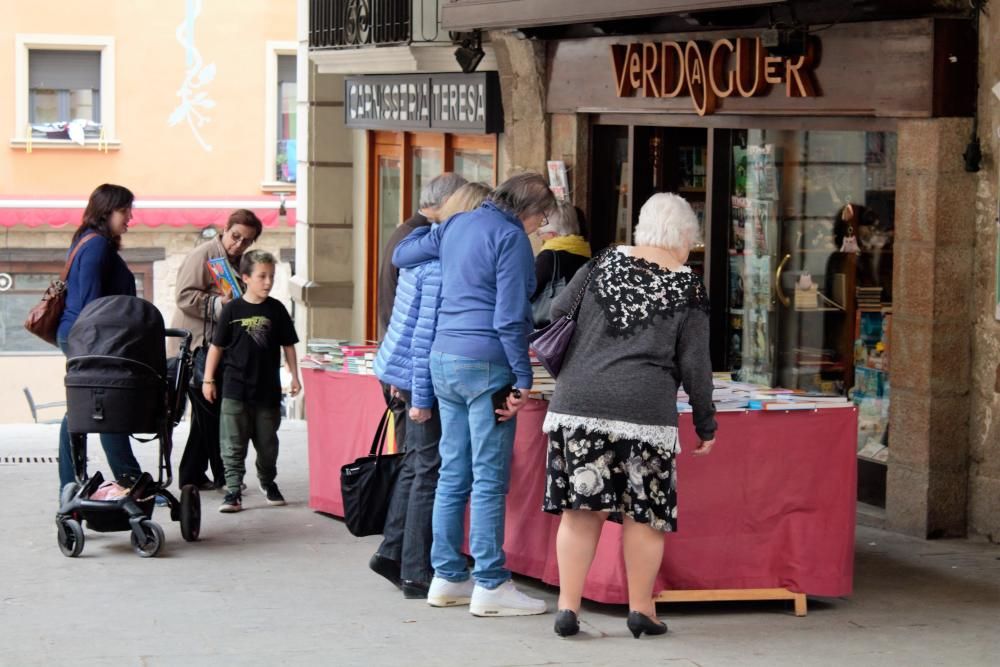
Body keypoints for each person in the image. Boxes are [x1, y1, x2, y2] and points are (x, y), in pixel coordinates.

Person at [542, 193, 717, 639]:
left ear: (642, 229)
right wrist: (705, 424)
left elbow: (557, 312)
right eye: (691, 242)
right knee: (645, 516)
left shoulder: (601, 264)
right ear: (682, 237)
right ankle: (641, 611)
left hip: (578, 404)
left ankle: (567, 609)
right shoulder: (687, 285)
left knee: (581, 513)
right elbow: (696, 364)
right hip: (645, 412)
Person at [393, 172, 556, 617]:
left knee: (452, 472)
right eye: (542, 216)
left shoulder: (456, 224)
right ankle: (490, 582)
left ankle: (446, 576)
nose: (541, 225)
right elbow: (510, 317)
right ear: (529, 208)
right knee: (488, 477)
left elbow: (402, 252)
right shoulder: (511, 238)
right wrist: (523, 378)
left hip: (443, 358)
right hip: (487, 364)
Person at [370, 182, 493, 600]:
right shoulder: (440, 262)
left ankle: (393, 552)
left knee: (419, 466)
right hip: (420, 375)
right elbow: (426, 336)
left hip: (405, 369)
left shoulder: (420, 246)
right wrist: (421, 396)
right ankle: (416, 570)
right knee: (430, 471)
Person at [57, 184, 143, 492]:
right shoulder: (96, 246)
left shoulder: (88, 241)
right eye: (124, 210)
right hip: (89, 338)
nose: (130, 217)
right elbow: (92, 304)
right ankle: (127, 479)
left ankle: (75, 484)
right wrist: (99, 343)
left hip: (86, 337)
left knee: (92, 407)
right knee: (105, 405)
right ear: (106, 210)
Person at [170, 209, 263, 490]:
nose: (238, 244)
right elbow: (183, 296)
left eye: (246, 241)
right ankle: (223, 474)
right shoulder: (204, 254)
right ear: (226, 229)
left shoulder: (238, 261)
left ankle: (192, 475)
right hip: (196, 347)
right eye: (235, 236)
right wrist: (218, 304)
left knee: (206, 415)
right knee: (212, 412)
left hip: (217, 349)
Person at [201, 250, 300, 513]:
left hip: (267, 391)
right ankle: (233, 490)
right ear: (245, 278)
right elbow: (216, 347)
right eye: (261, 276)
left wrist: (294, 376)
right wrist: (208, 380)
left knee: (268, 444)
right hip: (234, 389)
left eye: (271, 276)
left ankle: (268, 482)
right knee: (232, 443)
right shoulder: (232, 309)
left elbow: (288, 345)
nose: (267, 282)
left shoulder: (276, 309)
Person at [377, 173, 468, 452]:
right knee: (418, 458)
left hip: (402, 361)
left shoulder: (411, 234)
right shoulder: (419, 239)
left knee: (416, 458)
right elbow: (418, 321)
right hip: (409, 364)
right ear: (449, 202)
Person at [530, 201, 592, 327]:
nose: (540, 237)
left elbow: (527, 291)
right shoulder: (586, 253)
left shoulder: (548, 258)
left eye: (541, 233)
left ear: (552, 233)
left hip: (548, 330)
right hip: (576, 327)